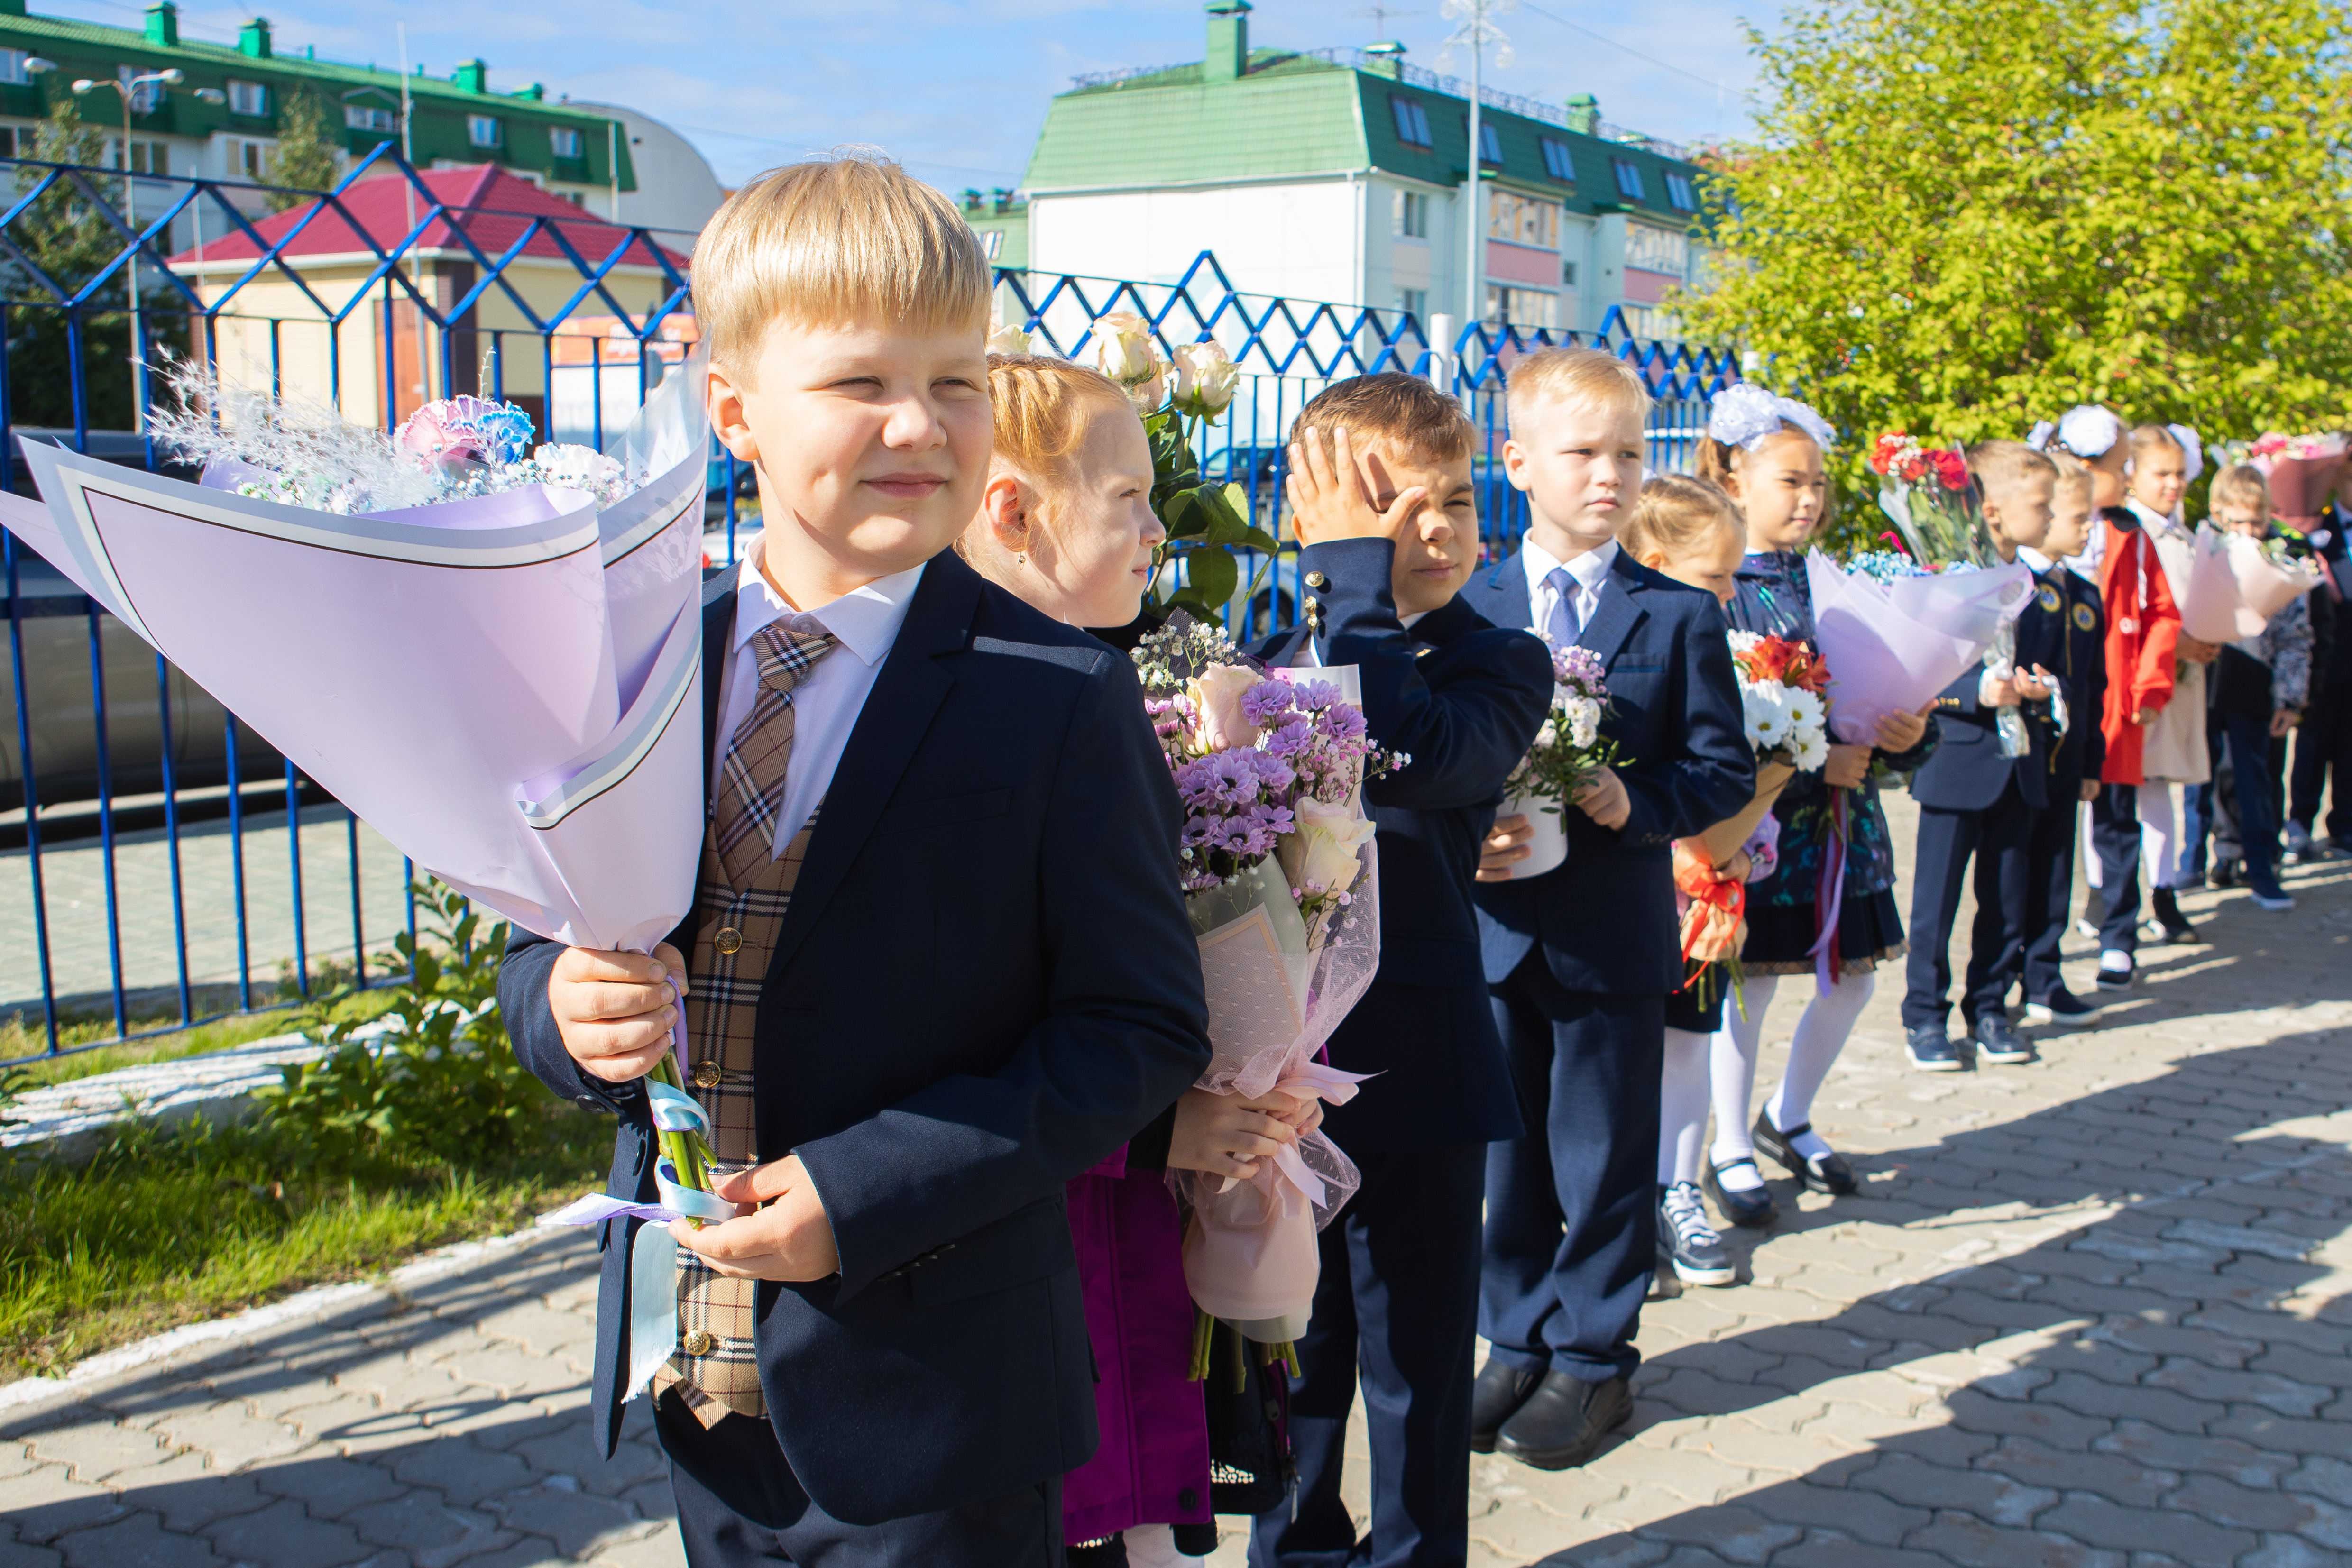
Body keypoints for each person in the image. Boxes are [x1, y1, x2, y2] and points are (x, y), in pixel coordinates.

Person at [497, 155, 1214, 1568]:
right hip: (701, 1381)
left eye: (958, 383)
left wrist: (871, 1189)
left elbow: (1137, 1030)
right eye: (858, 384)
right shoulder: (638, 668)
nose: (919, 425)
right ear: (732, 411)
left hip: (938, 1403)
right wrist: (567, 1013)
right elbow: (541, 942)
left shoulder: (1052, 692)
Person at [958, 352, 1315, 1568]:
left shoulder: (1103, 683)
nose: (1160, 529)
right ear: (1012, 511)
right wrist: (1157, 1128)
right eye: (1128, 497)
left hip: (1123, 1228)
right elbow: (961, 1021)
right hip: (1037, 1230)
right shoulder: (980, 716)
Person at [1244, 374, 1553, 1568]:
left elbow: (1399, 750)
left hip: (1419, 1070)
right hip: (1270, 1062)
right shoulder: (1259, 652)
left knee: (1417, 1361)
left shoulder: (1499, 660)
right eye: (1384, 505)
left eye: (1455, 502)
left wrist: (1355, 587)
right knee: (1292, 1344)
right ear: (1308, 518)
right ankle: (1293, 1544)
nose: (1427, 529)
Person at [1465, 348, 1753, 1471]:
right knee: (1509, 1157)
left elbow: (1720, 769)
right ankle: (1512, 1334)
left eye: (1629, 453)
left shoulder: (1674, 614)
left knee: (1600, 1155)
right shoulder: (1471, 607)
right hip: (1492, 934)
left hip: (1610, 935)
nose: (1609, 474)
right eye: (1583, 452)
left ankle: (1594, 1358)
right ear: (1517, 461)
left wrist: (1636, 800)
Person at [1699, 387, 1937, 1189]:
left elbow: (1889, 686)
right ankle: (1729, 1143)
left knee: (1855, 976)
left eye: (1819, 485)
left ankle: (1788, 1113)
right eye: (1790, 482)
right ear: (1735, 482)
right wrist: (1811, 767)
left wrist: (1906, 732)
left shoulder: (1844, 581)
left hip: (1848, 824)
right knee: (1751, 982)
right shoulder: (1720, 587)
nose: (1809, 499)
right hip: (1764, 830)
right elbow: (1722, 722)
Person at [1619, 474, 1781, 1289]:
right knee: (1625, 1062)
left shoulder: (1732, 654)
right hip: (1643, 891)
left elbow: (1741, 774)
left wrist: (1752, 847)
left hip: (1709, 899)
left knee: (1691, 1047)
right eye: (1718, 575)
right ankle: (1621, 1212)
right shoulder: (1621, 652)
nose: (1731, 592)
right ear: (1655, 562)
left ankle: (1679, 1190)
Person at [1899, 440, 2065, 1069]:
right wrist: (1975, 691)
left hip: (2018, 764)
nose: (2049, 515)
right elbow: (1915, 673)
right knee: (1935, 903)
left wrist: (2042, 688)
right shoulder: (1945, 583)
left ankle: (1991, 1007)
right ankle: (1924, 1015)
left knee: (2006, 898)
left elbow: (2056, 667)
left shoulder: (2040, 585)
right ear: (1992, 512)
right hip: (1956, 763)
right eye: (2040, 504)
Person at [2036, 404, 2180, 993]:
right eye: (2121, 466)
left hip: (2115, 699)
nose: (2127, 478)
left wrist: (2150, 685)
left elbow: (2161, 613)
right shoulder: (2041, 527)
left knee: (2117, 821)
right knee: (2046, 828)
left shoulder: (2129, 532)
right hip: (2051, 699)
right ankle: (2040, 947)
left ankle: (2120, 933)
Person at [2186, 463, 2311, 911]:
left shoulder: (2282, 559)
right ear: (2218, 513)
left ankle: (2262, 868)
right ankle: (2190, 864)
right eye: (2237, 521)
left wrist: (2291, 696)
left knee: (2254, 779)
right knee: (2199, 776)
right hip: (2207, 677)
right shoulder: (2200, 550)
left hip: (2256, 682)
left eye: (2256, 521)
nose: (2247, 530)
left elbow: (2298, 636)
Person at [2017, 453, 2109, 1027]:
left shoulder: (2082, 592)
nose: (2087, 528)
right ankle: (2000, 978)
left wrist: (2091, 759)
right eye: (2077, 516)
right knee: (2013, 874)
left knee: (2056, 868)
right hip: (2020, 758)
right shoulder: (2018, 586)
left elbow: (2095, 685)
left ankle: (2043, 976)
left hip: (2066, 757)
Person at [2119, 425, 2215, 946]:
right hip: (2141, 677)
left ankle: (2163, 889)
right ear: (2132, 474)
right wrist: (2174, 644)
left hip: (2179, 679)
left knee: (2159, 787)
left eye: (2180, 473)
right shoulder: (2128, 531)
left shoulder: (2180, 534)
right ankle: (2111, 896)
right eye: (2162, 473)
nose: (2174, 484)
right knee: (2120, 793)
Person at [2286, 470, 2352, 861]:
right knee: (2312, 746)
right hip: (2326, 658)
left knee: (2350, 750)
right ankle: (2299, 825)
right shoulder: (2315, 529)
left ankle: (2344, 827)